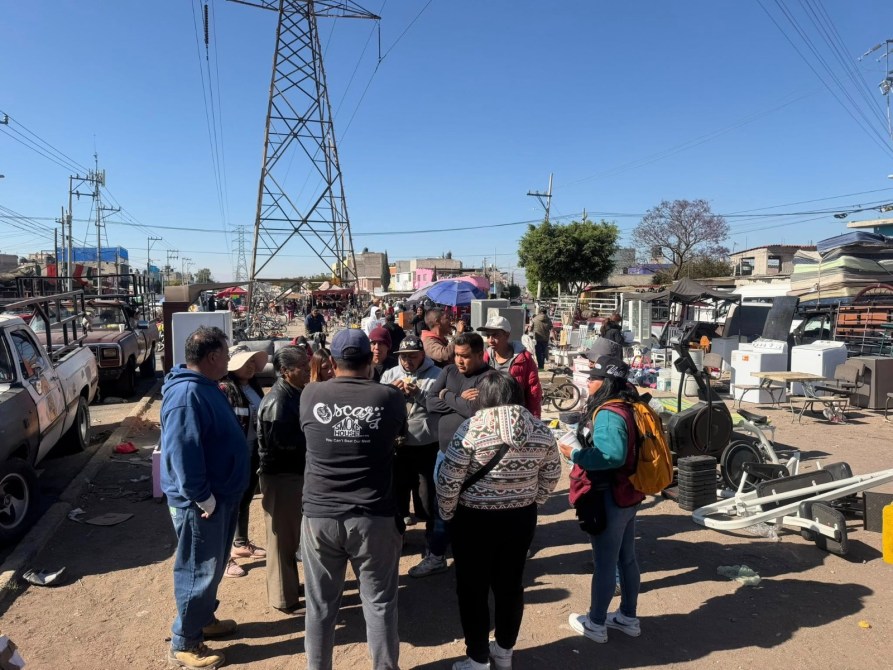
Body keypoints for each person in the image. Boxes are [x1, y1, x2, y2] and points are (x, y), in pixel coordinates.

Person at [299, 329, 408, 670]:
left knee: (320, 605)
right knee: (379, 602)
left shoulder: (310, 394)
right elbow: (399, 435)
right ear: (370, 362)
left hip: (320, 515)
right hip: (373, 515)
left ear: (332, 362)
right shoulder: (389, 397)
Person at [437, 373, 560, 670]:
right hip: (520, 518)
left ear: (485, 397)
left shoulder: (472, 428)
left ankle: (478, 659)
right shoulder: (541, 429)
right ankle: (504, 651)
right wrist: (533, 500)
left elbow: (448, 480)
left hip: (474, 520)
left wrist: (448, 513)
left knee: (472, 589)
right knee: (510, 586)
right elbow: (552, 473)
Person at [161, 326, 248, 669]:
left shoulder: (206, 386)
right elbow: (183, 452)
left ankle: (203, 619)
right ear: (212, 357)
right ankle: (185, 642)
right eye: (226, 354)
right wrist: (202, 497)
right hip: (202, 503)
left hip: (219, 496)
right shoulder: (187, 395)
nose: (228, 360)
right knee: (198, 569)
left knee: (211, 566)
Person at [558, 355, 644, 645]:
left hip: (610, 495)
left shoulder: (608, 412)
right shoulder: (630, 404)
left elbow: (611, 455)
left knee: (606, 562)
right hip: (629, 492)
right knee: (626, 558)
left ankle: (596, 623)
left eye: (594, 378)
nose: (588, 382)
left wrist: (575, 454)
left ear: (606, 383)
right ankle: (628, 617)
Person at [411, 332, 492, 578]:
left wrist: (446, 395)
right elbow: (429, 402)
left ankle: (472, 554)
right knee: (442, 507)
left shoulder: (489, 378)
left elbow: (474, 410)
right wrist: (456, 400)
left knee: (473, 508)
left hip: (475, 459)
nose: (459, 360)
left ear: (479, 354)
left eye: (465, 356)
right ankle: (436, 557)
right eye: (456, 355)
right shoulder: (448, 372)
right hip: (444, 453)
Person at [257, 345, 310, 613]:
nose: (308, 371)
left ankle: (289, 586)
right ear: (285, 371)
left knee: (291, 537)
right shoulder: (278, 401)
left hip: (292, 475)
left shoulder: (293, 393)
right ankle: (284, 599)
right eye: (302, 367)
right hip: (282, 477)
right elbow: (279, 446)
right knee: (281, 540)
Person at [379, 335, 441, 529]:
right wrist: (391, 392)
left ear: (422, 354)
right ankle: (401, 525)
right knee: (399, 487)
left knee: (426, 491)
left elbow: (439, 406)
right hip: (398, 443)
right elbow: (379, 407)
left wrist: (418, 394)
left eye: (413, 356)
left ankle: (429, 529)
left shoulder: (437, 375)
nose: (408, 360)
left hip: (426, 442)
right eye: (404, 356)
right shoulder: (390, 375)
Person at [218, 345, 269, 578]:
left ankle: (240, 543)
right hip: (232, 456)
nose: (251, 366)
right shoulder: (224, 389)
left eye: (252, 362)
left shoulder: (254, 388)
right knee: (229, 505)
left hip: (253, 452)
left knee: (245, 498)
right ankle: (224, 558)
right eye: (245, 362)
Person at [478, 315, 543, 418]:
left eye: (495, 335)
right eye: (488, 335)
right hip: (490, 416)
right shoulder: (485, 358)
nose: (490, 340)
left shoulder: (524, 359)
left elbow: (533, 392)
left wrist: (534, 419)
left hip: (516, 417)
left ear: (507, 335)